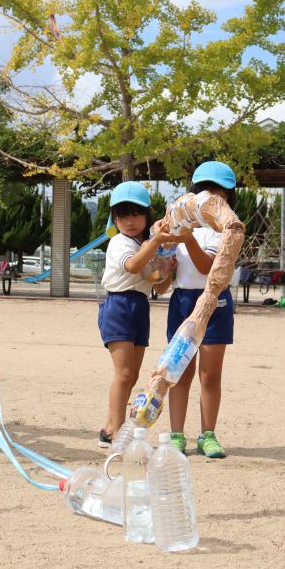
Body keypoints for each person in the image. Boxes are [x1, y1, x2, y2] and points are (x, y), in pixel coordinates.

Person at [165, 161, 238, 458]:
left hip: (215, 303)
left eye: (220, 193)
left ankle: (207, 434)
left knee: (209, 375)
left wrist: (188, 239)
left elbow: (210, 268)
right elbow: (162, 271)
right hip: (182, 302)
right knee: (179, 372)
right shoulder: (180, 224)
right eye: (206, 192)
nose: (213, 199)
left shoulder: (227, 230)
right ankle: (176, 435)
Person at [97, 181, 174, 448]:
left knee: (132, 374)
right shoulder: (120, 242)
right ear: (114, 218)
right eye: (122, 215)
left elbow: (160, 286)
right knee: (124, 374)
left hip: (140, 307)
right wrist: (155, 244)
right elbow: (131, 266)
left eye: (136, 214)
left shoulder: (147, 245)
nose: (129, 221)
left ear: (146, 215)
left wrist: (168, 265)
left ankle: (109, 429)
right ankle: (118, 434)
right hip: (118, 305)